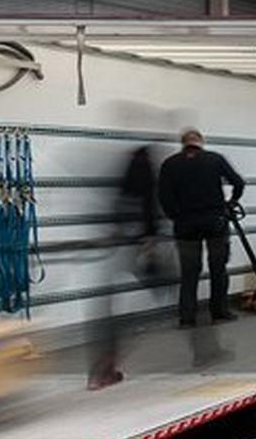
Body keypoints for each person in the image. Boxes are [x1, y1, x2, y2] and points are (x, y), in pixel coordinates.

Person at [157, 128, 244, 367]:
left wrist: (176, 216)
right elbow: (239, 182)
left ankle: (187, 318)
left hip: (185, 227)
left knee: (189, 273)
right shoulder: (214, 159)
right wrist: (231, 203)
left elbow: (163, 196)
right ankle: (219, 312)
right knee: (218, 268)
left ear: (183, 143)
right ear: (201, 142)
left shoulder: (170, 164)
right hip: (215, 223)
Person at [87, 143, 169, 389]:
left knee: (109, 305)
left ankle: (103, 366)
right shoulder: (148, 174)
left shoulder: (123, 179)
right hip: (138, 244)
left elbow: (117, 208)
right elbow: (150, 209)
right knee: (153, 294)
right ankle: (107, 364)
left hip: (119, 243)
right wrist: (151, 239)